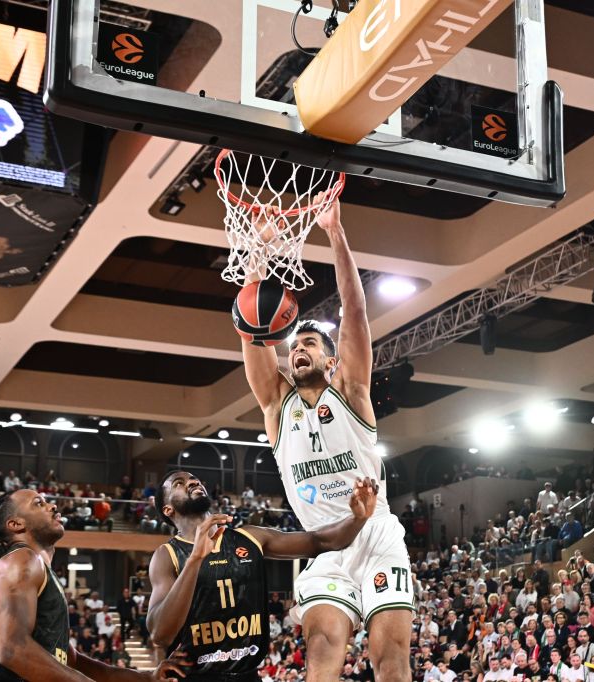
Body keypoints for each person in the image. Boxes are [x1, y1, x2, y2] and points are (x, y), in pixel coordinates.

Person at [239, 197, 413, 682]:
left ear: (331, 361)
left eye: (309, 344)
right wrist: (258, 252)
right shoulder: (277, 406)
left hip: (376, 535)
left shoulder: (351, 391)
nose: (298, 349)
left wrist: (335, 232)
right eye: (294, 345)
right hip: (323, 543)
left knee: (390, 659)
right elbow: (253, 326)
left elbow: (354, 309)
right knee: (321, 652)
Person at [146, 470, 378, 680]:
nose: (192, 482)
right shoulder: (167, 555)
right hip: (196, 676)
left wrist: (358, 518)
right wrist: (195, 559)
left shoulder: (249, 537)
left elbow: (320, 542)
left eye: (194, 479)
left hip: (248, 675)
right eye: (179, 483)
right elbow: (160, 634)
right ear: (168, 510)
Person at [0, 488, 175, 681]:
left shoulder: (38, 570)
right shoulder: (22, 559)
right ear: (16, 524)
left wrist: (146, 678)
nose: (53, 506)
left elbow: (73, 661)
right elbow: (13, 650)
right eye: (39, 503)